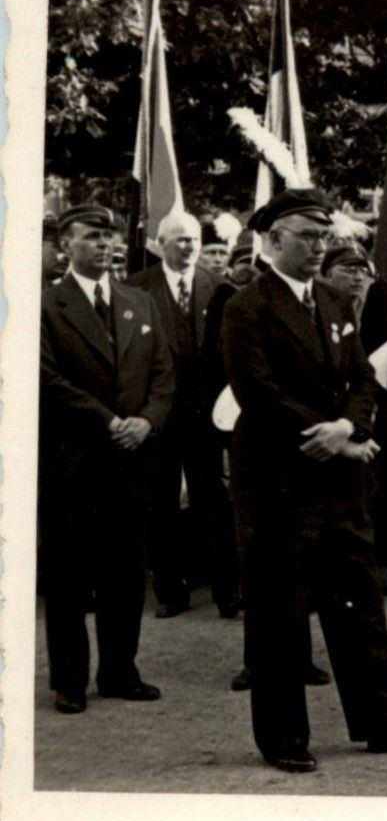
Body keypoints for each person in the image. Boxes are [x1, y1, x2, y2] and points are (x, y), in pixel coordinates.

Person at [221, 188, 387, 772]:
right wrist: (328, 435)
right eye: (307, 235)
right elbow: (257, 392)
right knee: (280, 615)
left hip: (339, 484)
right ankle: (283, 738)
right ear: (273, 240)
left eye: (323, 236)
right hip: (279, 483)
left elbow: (362, 380)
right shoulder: (245, 307)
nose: (318, 245)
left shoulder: (331, 299)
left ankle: (383, 720)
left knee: (361, 611)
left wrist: (349, 425)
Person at [40, 204, 175, 715]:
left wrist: (149, 419)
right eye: (92, 237)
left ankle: (120, 671)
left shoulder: (139, 302)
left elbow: (164, 371)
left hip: (132, 461)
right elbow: (46, 378)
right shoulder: (46, 305)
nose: (105, 246)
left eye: (110, 237)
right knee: (70, 576)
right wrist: (107, 421)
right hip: (74, 460)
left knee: (125, 571)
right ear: (65, 245)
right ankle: (69, 679)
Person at [129, 211, 226, 619]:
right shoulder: (136, 289)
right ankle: (171, 591)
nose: (189, 248)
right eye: (181, 241)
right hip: (160, 416)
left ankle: (228, 590)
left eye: (194, 241)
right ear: (162, 244)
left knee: (215, 502)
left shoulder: (219, 288)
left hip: (206, 416)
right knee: (161, 503)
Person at [319, 243, 376, 322]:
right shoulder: (316, 308)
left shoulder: (373, 311)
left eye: (364, 271)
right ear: (329, 273)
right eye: (350, 270)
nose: (359, 277)